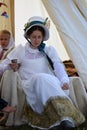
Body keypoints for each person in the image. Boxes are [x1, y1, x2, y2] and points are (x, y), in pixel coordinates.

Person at [0, 16, 85, 129]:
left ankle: (65, 118)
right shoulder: (21, 50)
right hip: (29, 82)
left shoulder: (49, 50)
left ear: (43, 37)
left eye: (39, 37)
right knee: (40, 78)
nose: (36, 40)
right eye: (34, 37)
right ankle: (54, 121)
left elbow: (58, 66)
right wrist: (10, 66)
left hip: (50, 80)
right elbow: (2, 65)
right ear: (28, 36)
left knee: (44, 78)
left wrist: (64, 80)